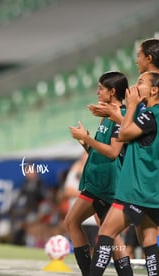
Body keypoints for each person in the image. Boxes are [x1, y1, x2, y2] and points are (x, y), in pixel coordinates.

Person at [88, 72, 159, 276]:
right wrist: (114, 113)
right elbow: (133, 131)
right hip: (152, 191)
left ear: (154, 90)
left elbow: (125, 133)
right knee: (148, 242)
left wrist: (132, 105)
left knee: (106, 232)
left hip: (136, 188)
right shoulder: (152, 115)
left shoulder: (151, 114)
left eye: (141, 82)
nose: (135, 87)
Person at [65, 71, 133, 276]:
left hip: (103, 183)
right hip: (101, 180)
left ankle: (88, 273)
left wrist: (89, 140)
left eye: (101, 88)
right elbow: (100, 151)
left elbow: (113, 152)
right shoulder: (107, 116)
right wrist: (86, 141)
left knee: (71, 221)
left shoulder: (119, 116)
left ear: (112, 92)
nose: (97, 91)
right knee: (110, 234)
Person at [9, 165, 46, 246]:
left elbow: (43, 198)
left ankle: (31, 244)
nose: (29, 173)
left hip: (34, 211)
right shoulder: (24, 184)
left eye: (31, 171)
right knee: (18, 226)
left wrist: (40, 211)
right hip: (23, 212)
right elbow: (19, 198)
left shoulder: (39, 183)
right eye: (27, 171)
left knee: (31, 226)